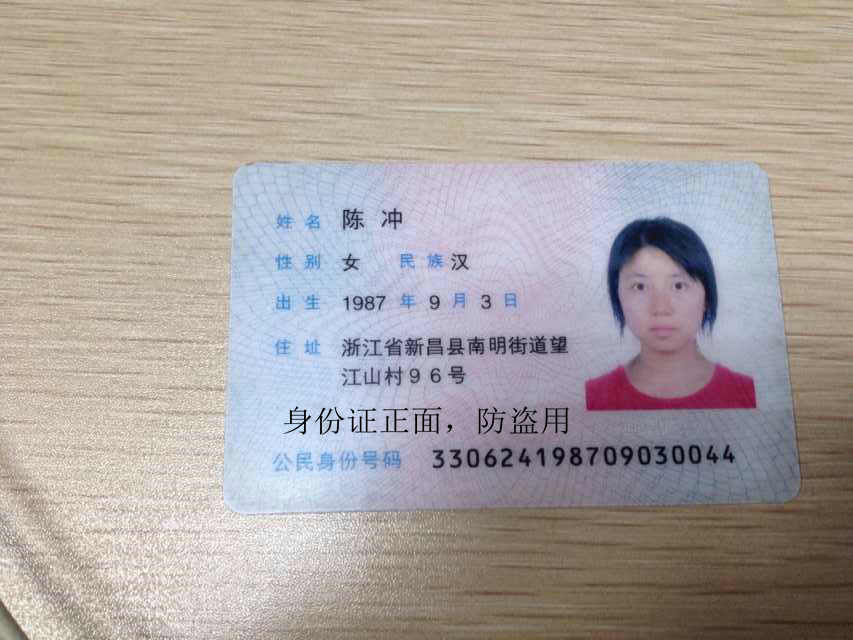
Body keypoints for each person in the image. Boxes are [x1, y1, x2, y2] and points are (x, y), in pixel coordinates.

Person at [585, 217, 756, 411]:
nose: (661, 308)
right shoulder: (593, 397)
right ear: (618, 297)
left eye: (679, 286)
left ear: (707, 297)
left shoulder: (746, 394)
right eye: (640, 286)